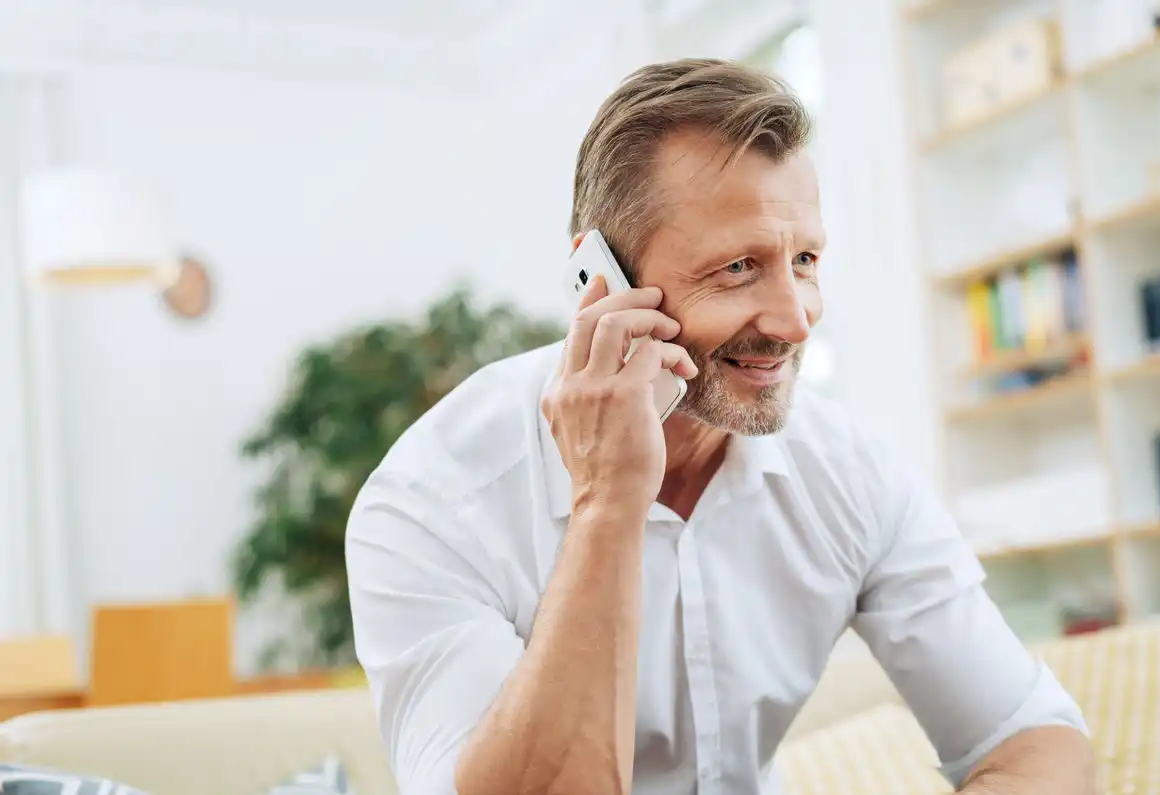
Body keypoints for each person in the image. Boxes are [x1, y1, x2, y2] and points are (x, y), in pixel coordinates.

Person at [346, 58, 1096, 795]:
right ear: (602, 281)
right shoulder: (430, 502)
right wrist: (607, 500)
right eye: (738, 267)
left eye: (805, 259)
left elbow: (1030, 735)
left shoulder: (846, 471)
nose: (795, 320)